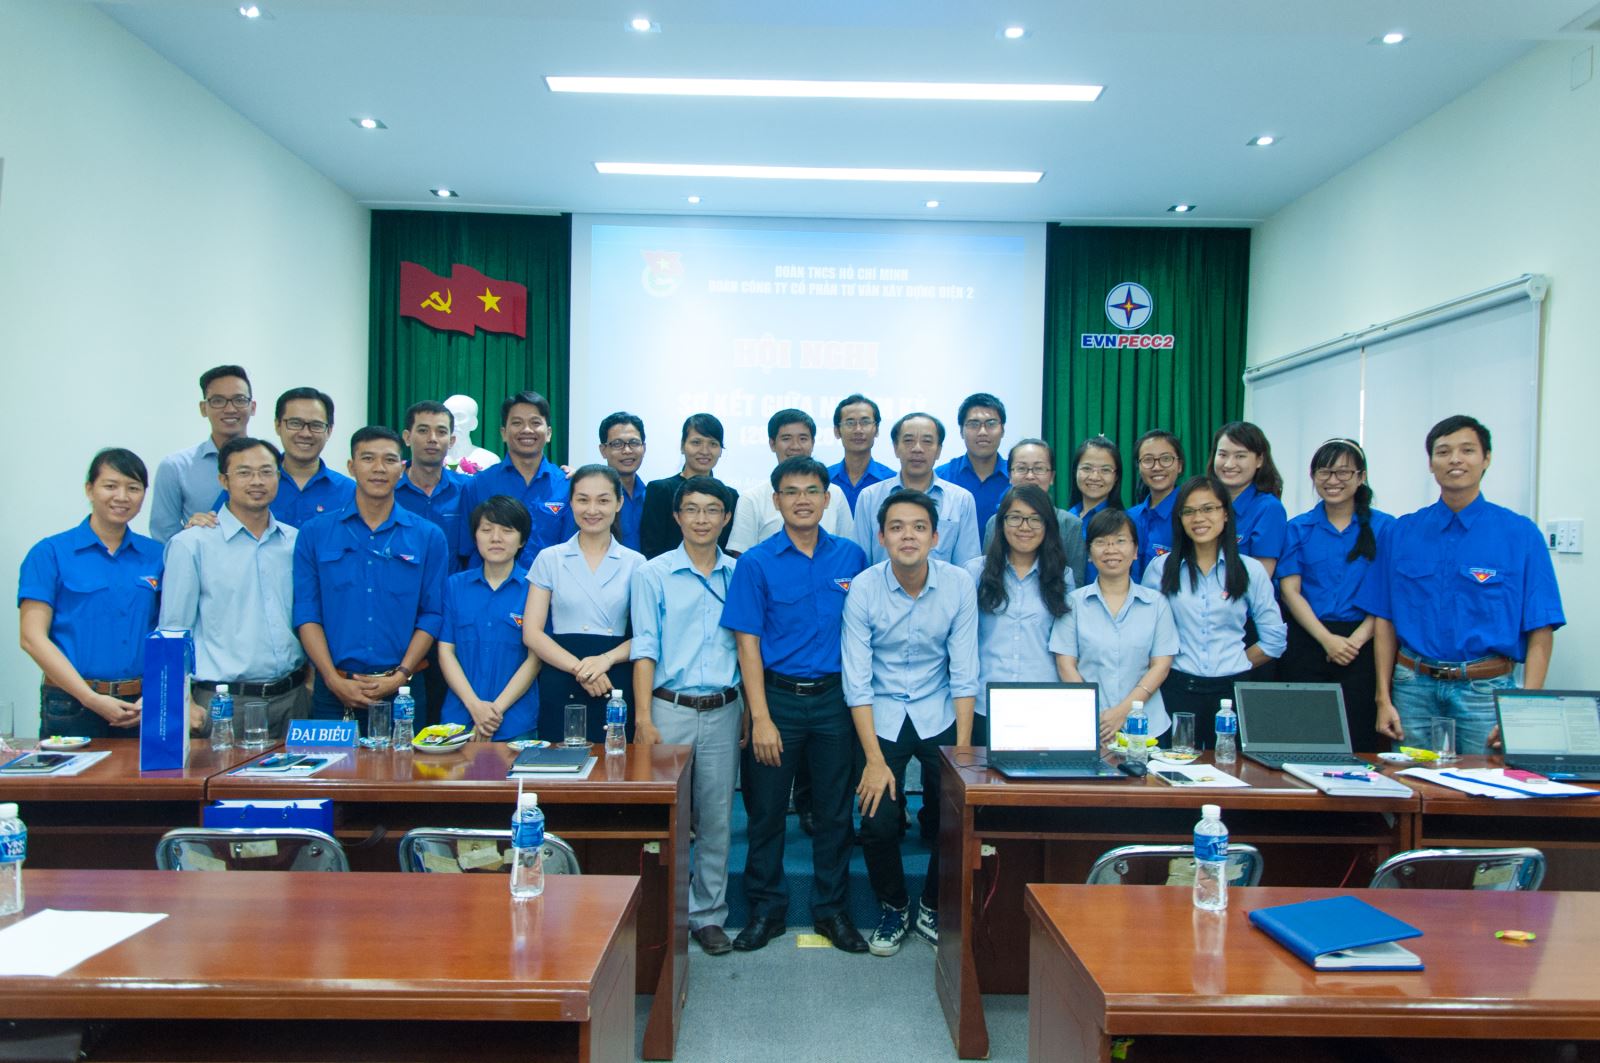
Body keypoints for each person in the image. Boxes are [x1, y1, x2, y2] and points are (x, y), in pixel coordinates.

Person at [721, 456, 869, 954]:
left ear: (827, 499)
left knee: (834, 813)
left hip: (835, 703)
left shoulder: (851, 557)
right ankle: (766, 910)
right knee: (765, 813)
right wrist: (760, 717)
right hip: (778, 701)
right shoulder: (755, 562)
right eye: (791, 491)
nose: (802, 500)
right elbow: (747, 645)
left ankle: (832, 911)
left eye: (811, 491)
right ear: (776, 500)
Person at [1356, 415, 1564, 755]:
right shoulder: (1401, 532)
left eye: (1467, 450)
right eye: (1443, 451)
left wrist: (1523, 709)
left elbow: (1541, 627)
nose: (1455, 459)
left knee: (1485, 785)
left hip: (1484, 691)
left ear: (1486, 458)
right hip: (1413, 688)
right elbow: (1385, 619)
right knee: (1410, 783)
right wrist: (1383, 697)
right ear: (1431, 463)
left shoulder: (1520, 534)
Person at [846, 491, 978, 957]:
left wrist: (962, 752)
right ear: (881, 537)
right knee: (878, 820)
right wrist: (873, 760)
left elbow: (965, 670)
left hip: (938, 707)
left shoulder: (958, 584)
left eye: (919, 527)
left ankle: (932, 906)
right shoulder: (864, 587)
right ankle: (894, 905)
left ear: (935, 537)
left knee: (953, 815)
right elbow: (857, 680)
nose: (908, 536)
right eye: (897, 527)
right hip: (881, 712)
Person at [630, 476, 742, 956]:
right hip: (667, 708)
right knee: (666, 818)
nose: (701, 519)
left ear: (726, 518)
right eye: (692, 509)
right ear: (676, 517)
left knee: (716, 817)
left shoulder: (739, 573)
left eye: (712, 510)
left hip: (723, 708)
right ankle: (661, 912)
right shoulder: (652, 574)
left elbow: (748, 648)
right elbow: (644, 647)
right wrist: (643, 717)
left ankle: (707, 915)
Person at [292, 426, 449, 727]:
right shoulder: (315, 533)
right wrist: (331, 679)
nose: (379, 468)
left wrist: (400, 675)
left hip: (403, 691)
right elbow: (307, 613)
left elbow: (432, 614)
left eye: (389, 460)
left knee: (404, 761)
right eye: (368, 458)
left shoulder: (428, 536)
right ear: (351, 467)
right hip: (334, 691)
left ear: (401, 469)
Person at [160, 437, 308, 740]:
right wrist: (181, 701)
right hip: (224, 704)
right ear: (223, 480)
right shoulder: (191, 544)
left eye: (266, 472)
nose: (257, 481)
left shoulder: (295, 542)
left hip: (293, 699)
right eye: (244, 473)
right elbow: (173, 630)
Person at [18, 448, 163, 738]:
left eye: (133, 488)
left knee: (142, 772)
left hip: (140, 705)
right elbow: (31, 638)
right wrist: (90, 698)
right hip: (71, 704)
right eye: (110, 486)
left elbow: (169, 631)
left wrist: (157, 693)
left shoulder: (157, 555)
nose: (122, 496)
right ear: (89, 489)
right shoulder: (50, 553)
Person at [1141, 476, 1286, 748]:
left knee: (1230, 767)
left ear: (1226, 514)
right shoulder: (1160, 569)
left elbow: (1274, 639)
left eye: (1208, 508)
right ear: (1180, 519)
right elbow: (1145, 636)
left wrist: (1236, 662)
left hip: (1231, 693)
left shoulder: (1250, 570)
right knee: (1176, 767)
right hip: (1177, 689)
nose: (1199, 518)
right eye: (1189, 511)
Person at [1277, 439, 1394, 752]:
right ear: (1313, 476)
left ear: (1361, 476)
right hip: (1308, 640)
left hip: (1364, 645)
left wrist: (1354, 641)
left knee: (1359, 741)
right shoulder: (1298, 528)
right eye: (1324, 472)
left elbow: (1388, 594)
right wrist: (1327, 640)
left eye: (1343, 472)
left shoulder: (1386, 528)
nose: (1333, 481)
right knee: (1303, 741)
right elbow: (1290, 591)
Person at [523, 464, 645, 743]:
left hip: (613, 678)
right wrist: (582, 670)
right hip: (561, 672)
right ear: (571, 502)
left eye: (603, 500)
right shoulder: (549, 558)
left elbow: (646, 635)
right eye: (583, 500)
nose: (592, 510)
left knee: (614, 760)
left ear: (619, 503)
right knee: (559, 762)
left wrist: (605, 660)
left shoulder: (635, 563)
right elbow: (532, 633)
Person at [1053, 509, 1178, 744]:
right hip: (1088, 726)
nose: (1111, 550)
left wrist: (1122, 713)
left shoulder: (1156, 603)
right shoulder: (1073, 603)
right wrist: (1096, 716)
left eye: (1120, 541)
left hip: (1147, 727)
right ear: (1089, 553)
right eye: (1101, 542)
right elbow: (1065, 665)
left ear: (1135, 550)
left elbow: (1161, 666)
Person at [964, 485, 1073, 746]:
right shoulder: (974, 572)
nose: (1025, 527)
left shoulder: (1062, 576)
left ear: (1047, 526)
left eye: (1035, 519)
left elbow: (1066, 646)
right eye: (1015, 517)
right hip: (986, 704)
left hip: (1044, 705)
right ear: (1001, 523)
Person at [436, 495, 540, 741]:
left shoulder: (535, 588)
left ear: (522, 539)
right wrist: (475, 706)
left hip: (514, 722)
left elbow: (535, 659)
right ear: (475, 536)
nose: (496, 538)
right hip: (458, 720)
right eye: (486, 530)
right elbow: (445, 651)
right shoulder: (454, 586)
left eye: (507, 530)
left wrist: (493, 713)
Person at [853, 413, 980, 567]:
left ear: (939, 450)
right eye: (908, 441)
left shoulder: (961, 500)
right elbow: (859, 562)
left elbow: (967, 567)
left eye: (927, 441)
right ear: (895, 448)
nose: (917, 449)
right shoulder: (869, 497)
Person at [460, 391, 571, 567]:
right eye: (517, 423)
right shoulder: (478, 485)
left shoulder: (566, 485)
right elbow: (467, 549)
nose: (526, 430)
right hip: (495, 583)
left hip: (552, 583)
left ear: (549, 433)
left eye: (535, 423)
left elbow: (572, 549)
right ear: (503, 433)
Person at [150, 365, 255, 542]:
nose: (230, 409)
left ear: (253, 407)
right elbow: (164, 538)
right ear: (203, 408)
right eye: (218, 401)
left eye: (239, 400)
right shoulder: (176, 467)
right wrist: (190, 534)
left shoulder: (272, 464)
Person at [728, 409, 853, 554]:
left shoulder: (835, 493)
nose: (795, 446)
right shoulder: (751, 498)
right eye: (786, 438)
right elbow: (741, 556)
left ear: (813, 443)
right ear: (772, 444)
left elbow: (848, 550)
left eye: (803, 439)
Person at [979, 439, 1087, 587]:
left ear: (1052, 477)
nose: (1030, 476)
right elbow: (987, 573)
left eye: (1039, 468)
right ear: (1010, 476)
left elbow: (1076, 585)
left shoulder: (1070, 524)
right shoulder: (995, 521)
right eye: (1021, 468)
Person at [640, 413, 734, 558]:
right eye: (696, 442)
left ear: (720, 450)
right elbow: (651, 548)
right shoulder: (660, 490)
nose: (705, 451)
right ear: (682, 446)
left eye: (713, 444)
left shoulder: (731, 496)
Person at [1207, 421, 1287, 576]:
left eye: (1240, 456)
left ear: (1259, 460)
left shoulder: (1268, 508)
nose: (1229, 464)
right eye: (1222, 455)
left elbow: (1261, 576)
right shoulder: (1204, 503)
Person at [397, 399, 469, 570]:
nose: (432, 439)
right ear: (407, 437)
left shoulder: (466, 490)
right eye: (423, 430)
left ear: (451, 441)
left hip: (451, 586)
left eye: (441, 432)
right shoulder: (389, 491)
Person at [935, 392, 1009, 532]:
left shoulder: (1016, 477)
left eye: (991, 424)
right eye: (974, 424)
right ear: (961, 431)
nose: (982, 432)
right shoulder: (941, 478)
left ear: (1003, 430)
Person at [1126, 429, 1185, 582]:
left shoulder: (1188, 515)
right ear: (1139, 467)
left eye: (1166, 459)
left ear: (1179, 465)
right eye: (1148, 460)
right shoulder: (1129, 517)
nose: (1157, 467)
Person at [1066, 435, 1124, 584]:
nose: (1095, 476)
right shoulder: (1065, 519)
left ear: (1116, 477)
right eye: (1087, 468)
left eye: (1105, 470)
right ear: (1075, 471)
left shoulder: (1125, 523)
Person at [588, 412, 649, 552]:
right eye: (617, 444)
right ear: (603, 450)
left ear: (644, 448)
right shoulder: (593, 498)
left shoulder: (651, 496)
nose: (627, 450)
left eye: (634, 443)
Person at [828, 393, 894, 515]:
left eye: (865, 422)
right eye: (850, 423)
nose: (858, 430)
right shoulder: (824, 479)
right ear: (837, 431)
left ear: (877, 430)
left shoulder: (891, 481)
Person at [442, 394, 500, 473]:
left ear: (474, 423)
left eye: (459, 417)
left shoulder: (490, 460)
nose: (453, 422)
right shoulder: (430, 457)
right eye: (449, 417)